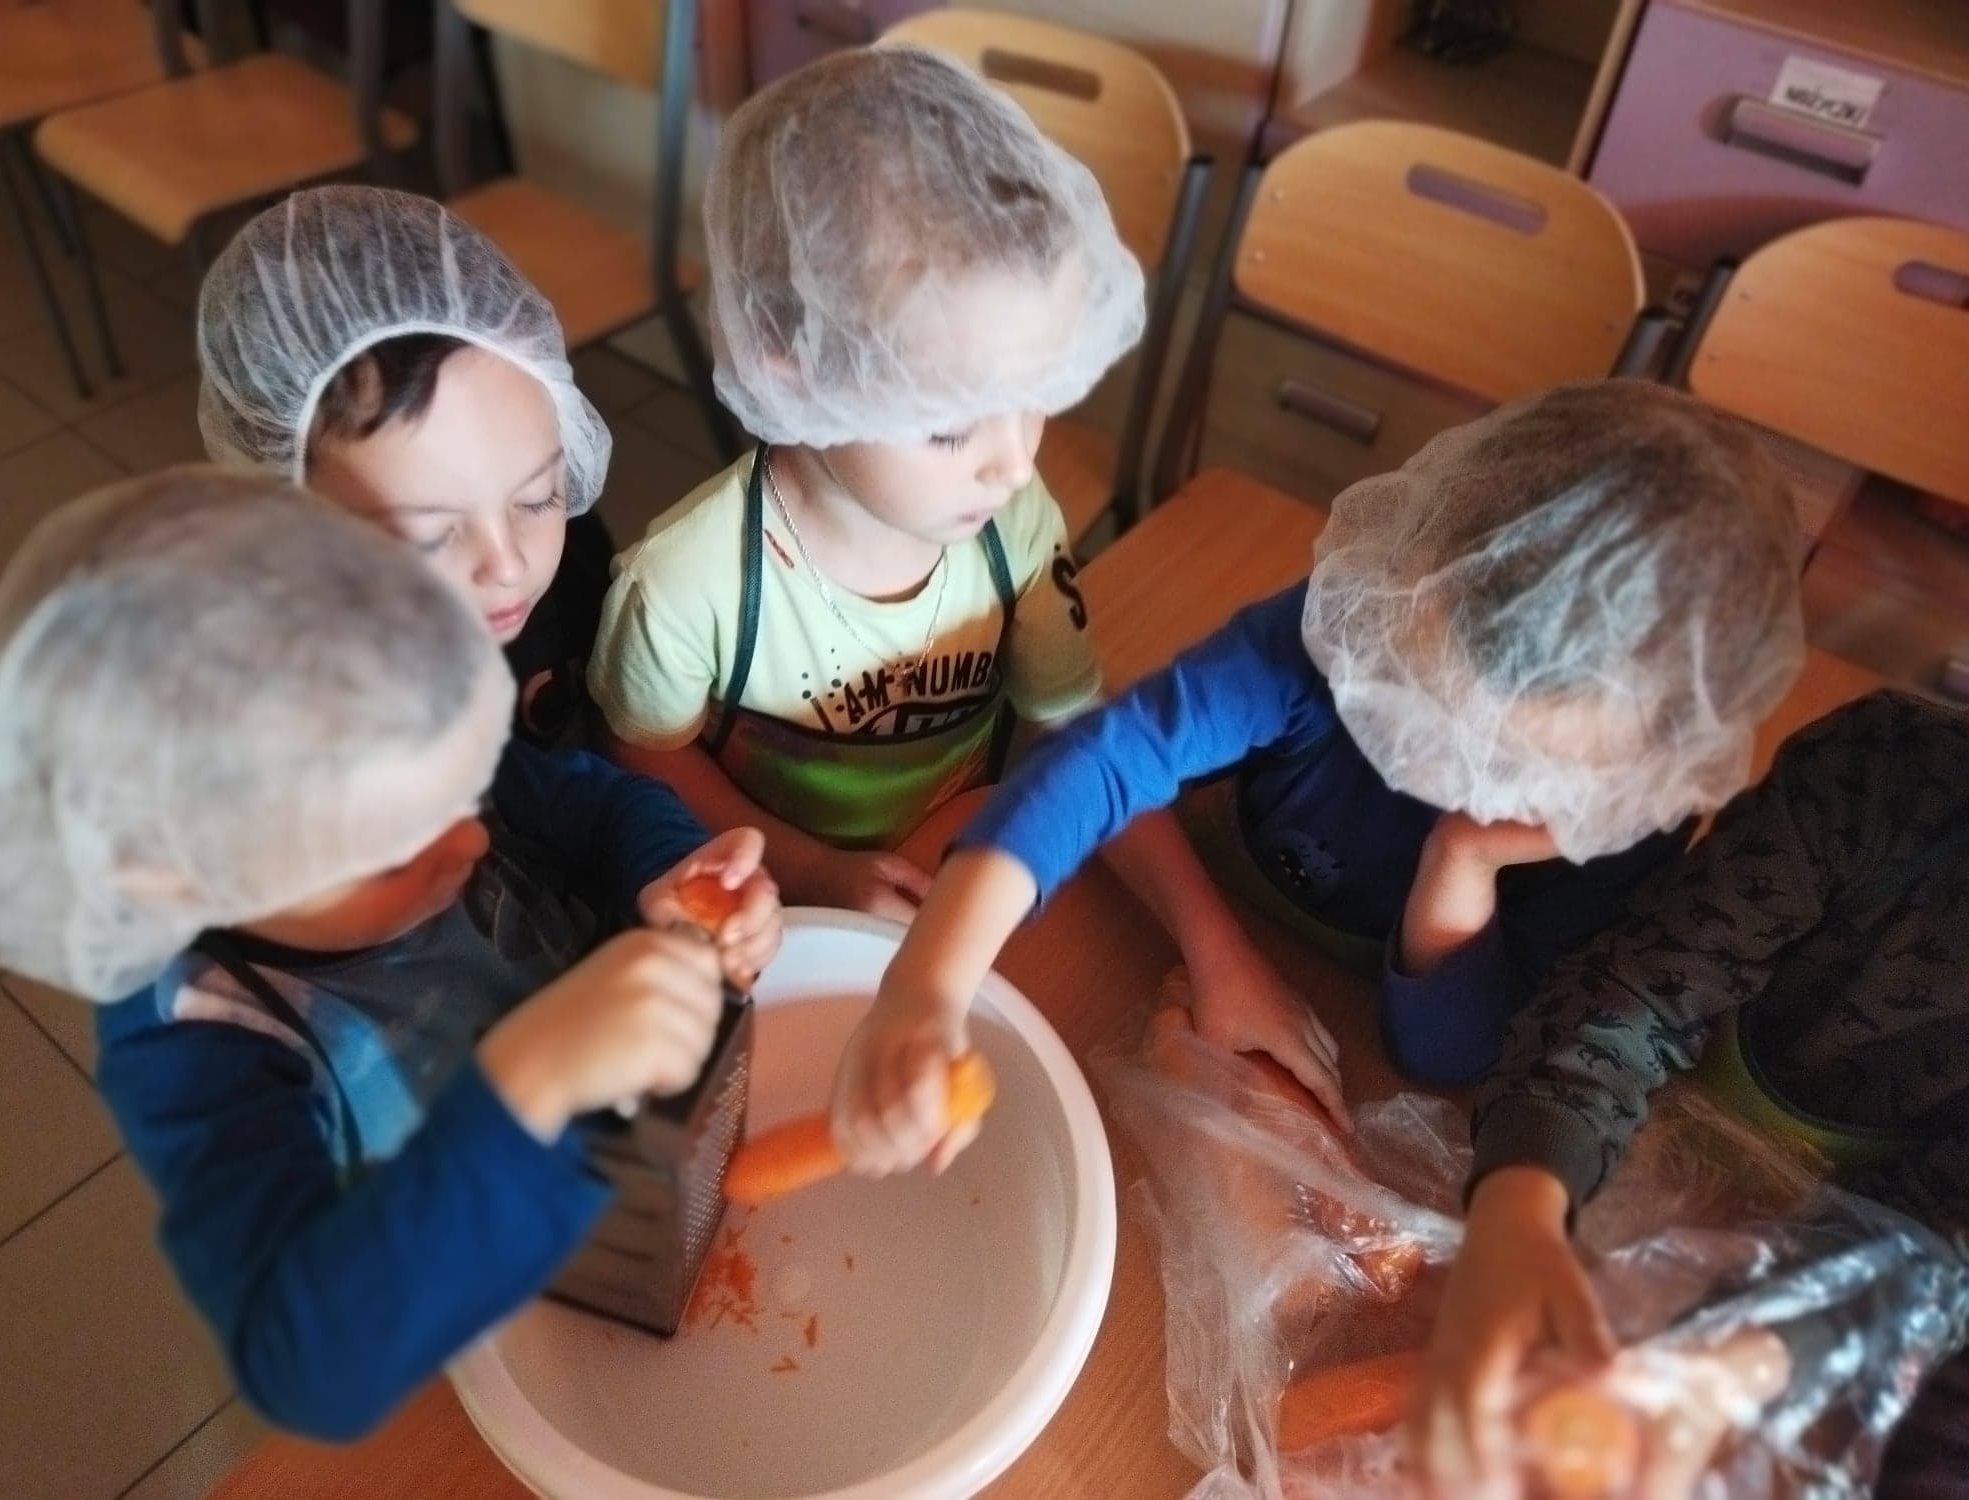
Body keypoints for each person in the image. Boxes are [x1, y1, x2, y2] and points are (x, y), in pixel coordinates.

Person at [589, 45, 1349, 1112]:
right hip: (779, 927)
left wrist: (1215, 949)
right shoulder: (688, 583)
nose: (1014, 464)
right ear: (789, 367)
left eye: (1035, 396)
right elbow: (641, 754)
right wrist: (812, 869)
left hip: (972, 873)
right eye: (949, 426)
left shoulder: (1010, 528)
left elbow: (1089, 746)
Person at [0, 469, 779, 1440]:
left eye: (468, 786)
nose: (470, 837)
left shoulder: (400, 750)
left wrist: (672, 870)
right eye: (397, 851)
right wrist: (527, 1083)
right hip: (451, 1312)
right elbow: (308, 1366)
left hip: (630, 1198)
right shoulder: (199, 1037)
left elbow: (598, 804)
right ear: (193, 876)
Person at [831, 381, 1807, 1173]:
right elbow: (1103, 758)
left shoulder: (1623, 820)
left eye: (1524, 772)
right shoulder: (1340, 639)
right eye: (1437, 716)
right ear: (1412, 582)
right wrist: (926, 988)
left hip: (1364, 1039)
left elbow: (1449, 1054)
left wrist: (1462, 859)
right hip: (1224, 898)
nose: (1467, 782)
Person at [1413, 690, 1969, 1499]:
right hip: (1612, 1149)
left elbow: (1940, 1249)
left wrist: (1731, 1365)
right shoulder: (1887, 773)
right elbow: (1635, 992)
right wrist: (1518, 1203)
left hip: (1818, 1308)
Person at [196, 184, 615, 746]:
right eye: (429, 536)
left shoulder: (578, 571)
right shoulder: (296, 712)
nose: (508, 565)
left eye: (538, 498)